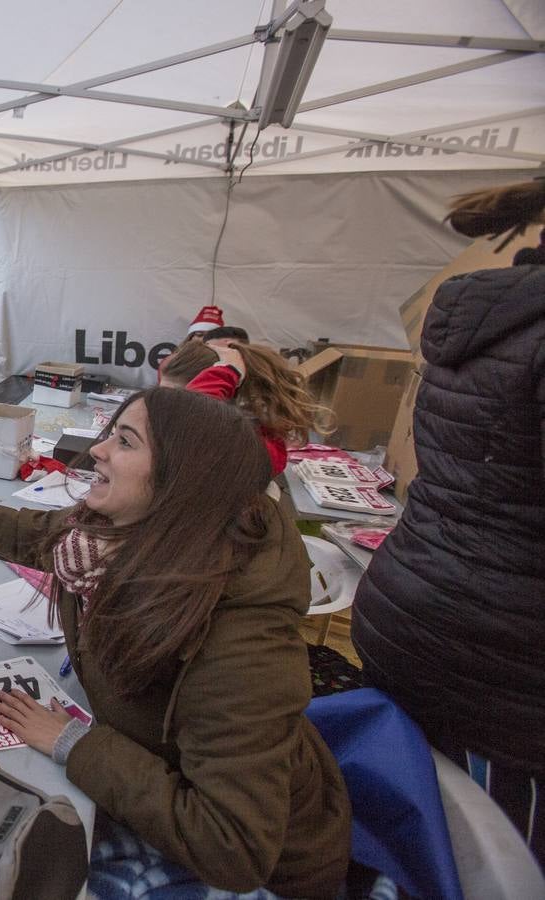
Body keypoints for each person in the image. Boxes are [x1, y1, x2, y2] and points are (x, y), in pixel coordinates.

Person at [0, 388, 350, 896]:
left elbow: (234, 847)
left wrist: (74, 743)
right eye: (111, 433)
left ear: (181, 484)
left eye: (125, 442)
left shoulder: (242, 648)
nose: (96, 449)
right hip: (155, 775)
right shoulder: (107, 541)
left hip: (272, 872)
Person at [352, 179, 545, 865]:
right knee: (487, 857)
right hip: (503, 664)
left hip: (422, 612)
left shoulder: (488, 316)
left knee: (407, 826)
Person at [157, 339, 327, 475]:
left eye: (176, 400)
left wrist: (227, 371)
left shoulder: (253, 450)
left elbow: (190, 417)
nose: (165, 409)